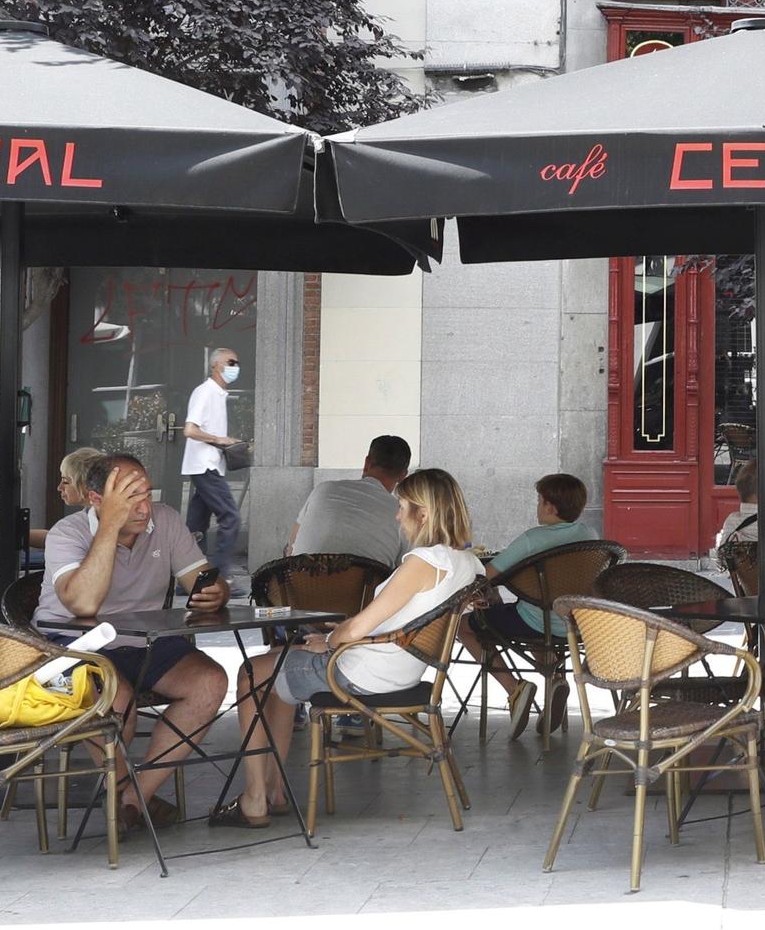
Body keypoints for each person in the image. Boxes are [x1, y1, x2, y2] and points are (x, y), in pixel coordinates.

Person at [212, 468, 480, 829]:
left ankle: (255, 798)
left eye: (402, 507)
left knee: (250, 674)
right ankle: (271, 791)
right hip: (401, 669)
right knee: (272, 677)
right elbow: (396, 621)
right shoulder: (465, 562)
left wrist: (329, 640)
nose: (397, 516)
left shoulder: (423, 563)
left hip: (362, 672)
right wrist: (340, 635)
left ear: (425, 513)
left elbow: (357, 627)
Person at [32, 453, 229, 830]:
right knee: (115, 698)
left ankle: (133, 797)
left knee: (210, 681)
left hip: (145, 639)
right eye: (129, 499)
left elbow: (203, 578)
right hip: (74, 642)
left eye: (145, 495)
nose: (143, 508)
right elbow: (83, 603)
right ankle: (127, 794)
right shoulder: (67, 534)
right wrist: (108, 528)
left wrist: (215, 591)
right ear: (95, 500)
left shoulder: (166, 520)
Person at [459, 473, 596, 739]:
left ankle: (515, 690)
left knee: (465, 627)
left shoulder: (533, 538)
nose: (537, 506)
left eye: (539, 501)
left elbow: (486, 575)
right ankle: (555, 681)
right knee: (537, 625)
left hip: (533, 621)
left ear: (550, 507)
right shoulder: (589, 534)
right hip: (574, 623)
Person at [289, 434, 410, 566]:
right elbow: (404, 568)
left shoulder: (324, 489)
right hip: (366, 585)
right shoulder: (403, 514)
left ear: (367, 463)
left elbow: (292, 544)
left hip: (299, 584)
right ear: (403, 476)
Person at [181, 349, 243, 583]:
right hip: (204, 466)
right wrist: (220, 440)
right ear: (216, 365)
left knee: (195, 527)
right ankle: (218, 579)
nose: (236, 367)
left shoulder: (218, 394)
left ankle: (186, 579)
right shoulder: (205, 392)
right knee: (231, 518)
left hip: (208, 466)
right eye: (231, 362)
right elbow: (190, 430)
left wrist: (228, 441)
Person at [30, 447, 105, 551]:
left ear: (87, 485)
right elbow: (59, 539)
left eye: (65, 481)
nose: (59, 487)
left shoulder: (101, 520)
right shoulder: (89, 515)